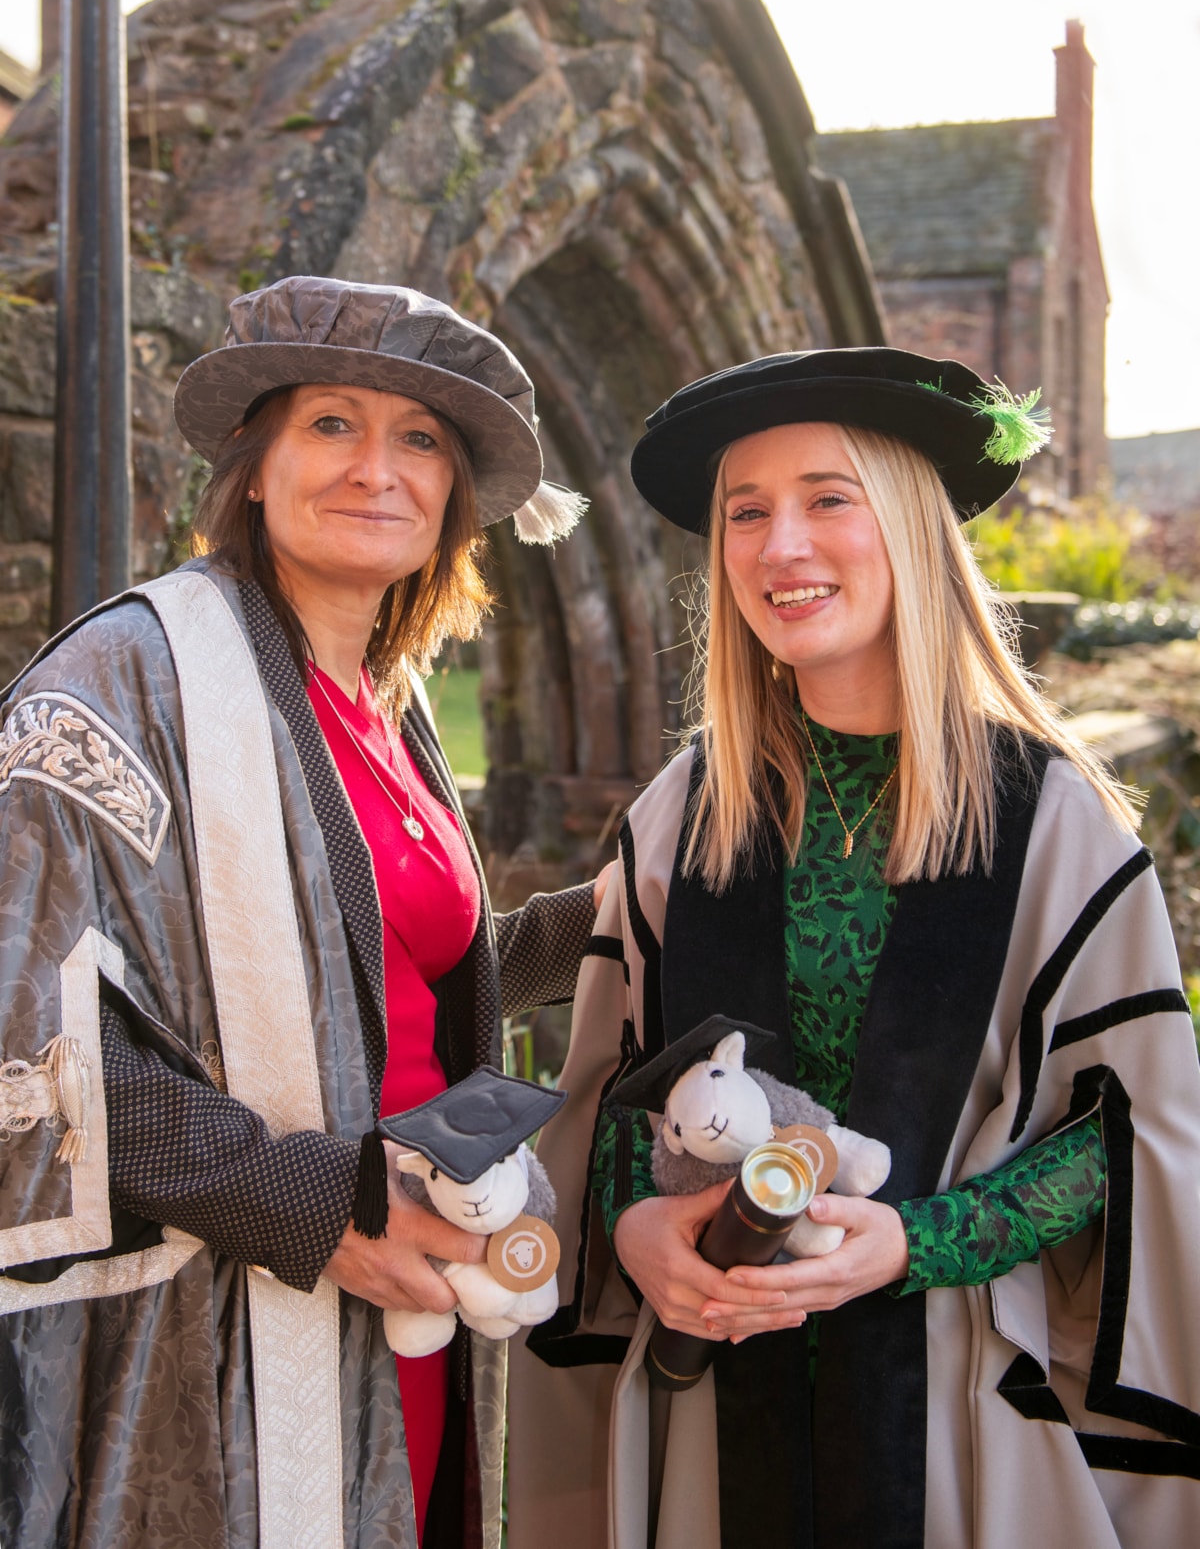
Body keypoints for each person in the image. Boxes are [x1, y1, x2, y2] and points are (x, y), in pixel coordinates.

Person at [507, 348, 1200, 1549]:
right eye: (747, 513)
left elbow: (1126, 1137)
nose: (783, 548)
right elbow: (614, 1100)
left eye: (830, 498)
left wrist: (913, 1242)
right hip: (712, 1415)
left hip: (954, 1402)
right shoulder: (687, 811)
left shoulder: (1047, 818)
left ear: (915, 527)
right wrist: (633, 1228)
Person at [0, 275, 603, 1549]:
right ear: (255, 463)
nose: (377, 468)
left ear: (453, 501)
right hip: (222, 1319)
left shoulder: (391, 702)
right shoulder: (126, 679)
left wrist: (618, 912)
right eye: (332, 423)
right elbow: (21, 1031)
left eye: (421, 439)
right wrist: (312, 1210)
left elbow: (374, 975)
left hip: (410, 1295)